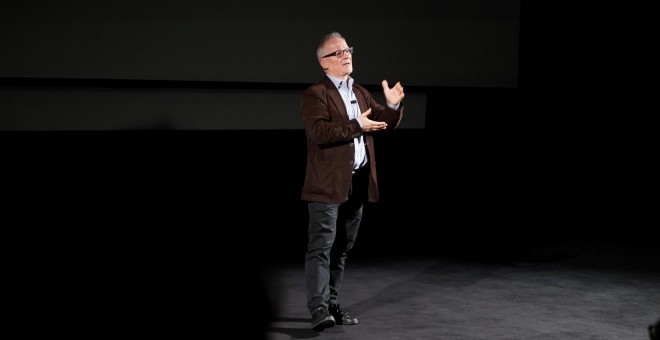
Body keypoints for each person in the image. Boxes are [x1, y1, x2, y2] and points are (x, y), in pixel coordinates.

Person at [300, 31, 405, 332]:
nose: (346, 55)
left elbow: (383, 120)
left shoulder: (357, 92)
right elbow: (320, 133)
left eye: (348, 49)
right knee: (321, 247)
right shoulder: (316, 94)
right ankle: (318, 308)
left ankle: (332, 304)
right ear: (324, 63)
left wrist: (393, 107)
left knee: (342, 248)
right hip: (327, 185)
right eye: (338, 52)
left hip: (357, 182)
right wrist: (358, 124)